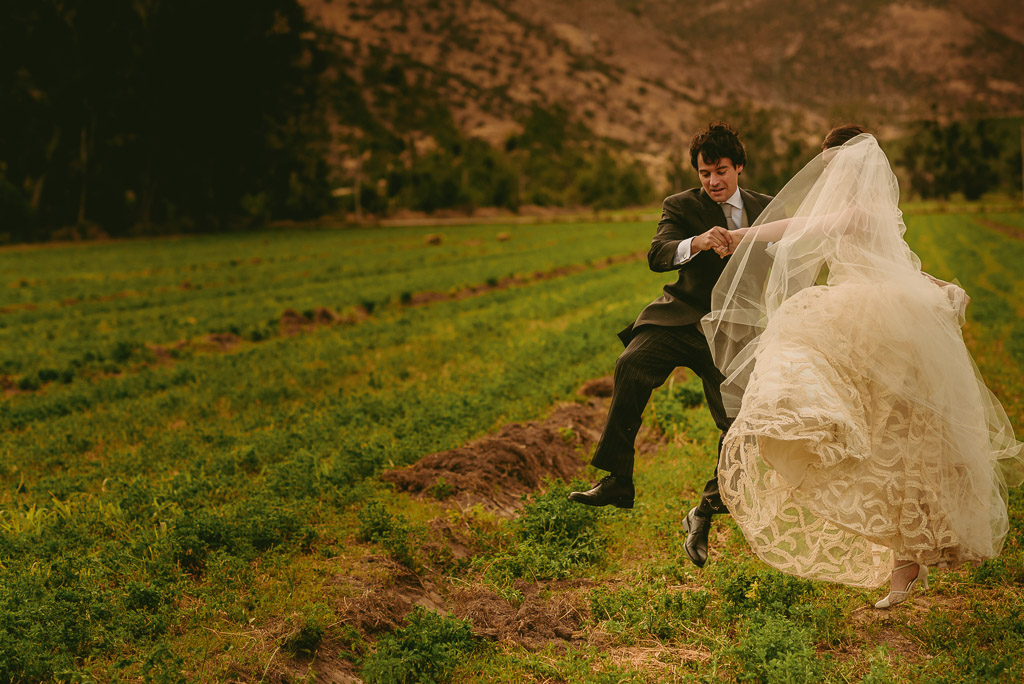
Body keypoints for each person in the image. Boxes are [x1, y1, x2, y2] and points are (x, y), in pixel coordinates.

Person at [702, 125, 1024, 607]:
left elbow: (802, 228)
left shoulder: (857, 209)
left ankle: (904, 557)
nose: (831, 177)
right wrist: (934, 284)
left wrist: (740, 233)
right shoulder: (879, 212)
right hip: (872, 315)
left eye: (835, 168)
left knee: (892, 440)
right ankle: (903, 562)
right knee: (886, 442)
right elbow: (896, 264)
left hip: (874, 324)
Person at [568, 122, 773, 568]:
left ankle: (704, 512)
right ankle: (618, 478)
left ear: (739, 167)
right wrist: (696, 242)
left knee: (740, 429)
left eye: (721, 171)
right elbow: (657, 254)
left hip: (735, 334)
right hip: (681, 319)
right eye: (704, 174)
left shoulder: (770, 208)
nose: (713, 181)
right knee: (632, 363)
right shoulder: (680, 206)